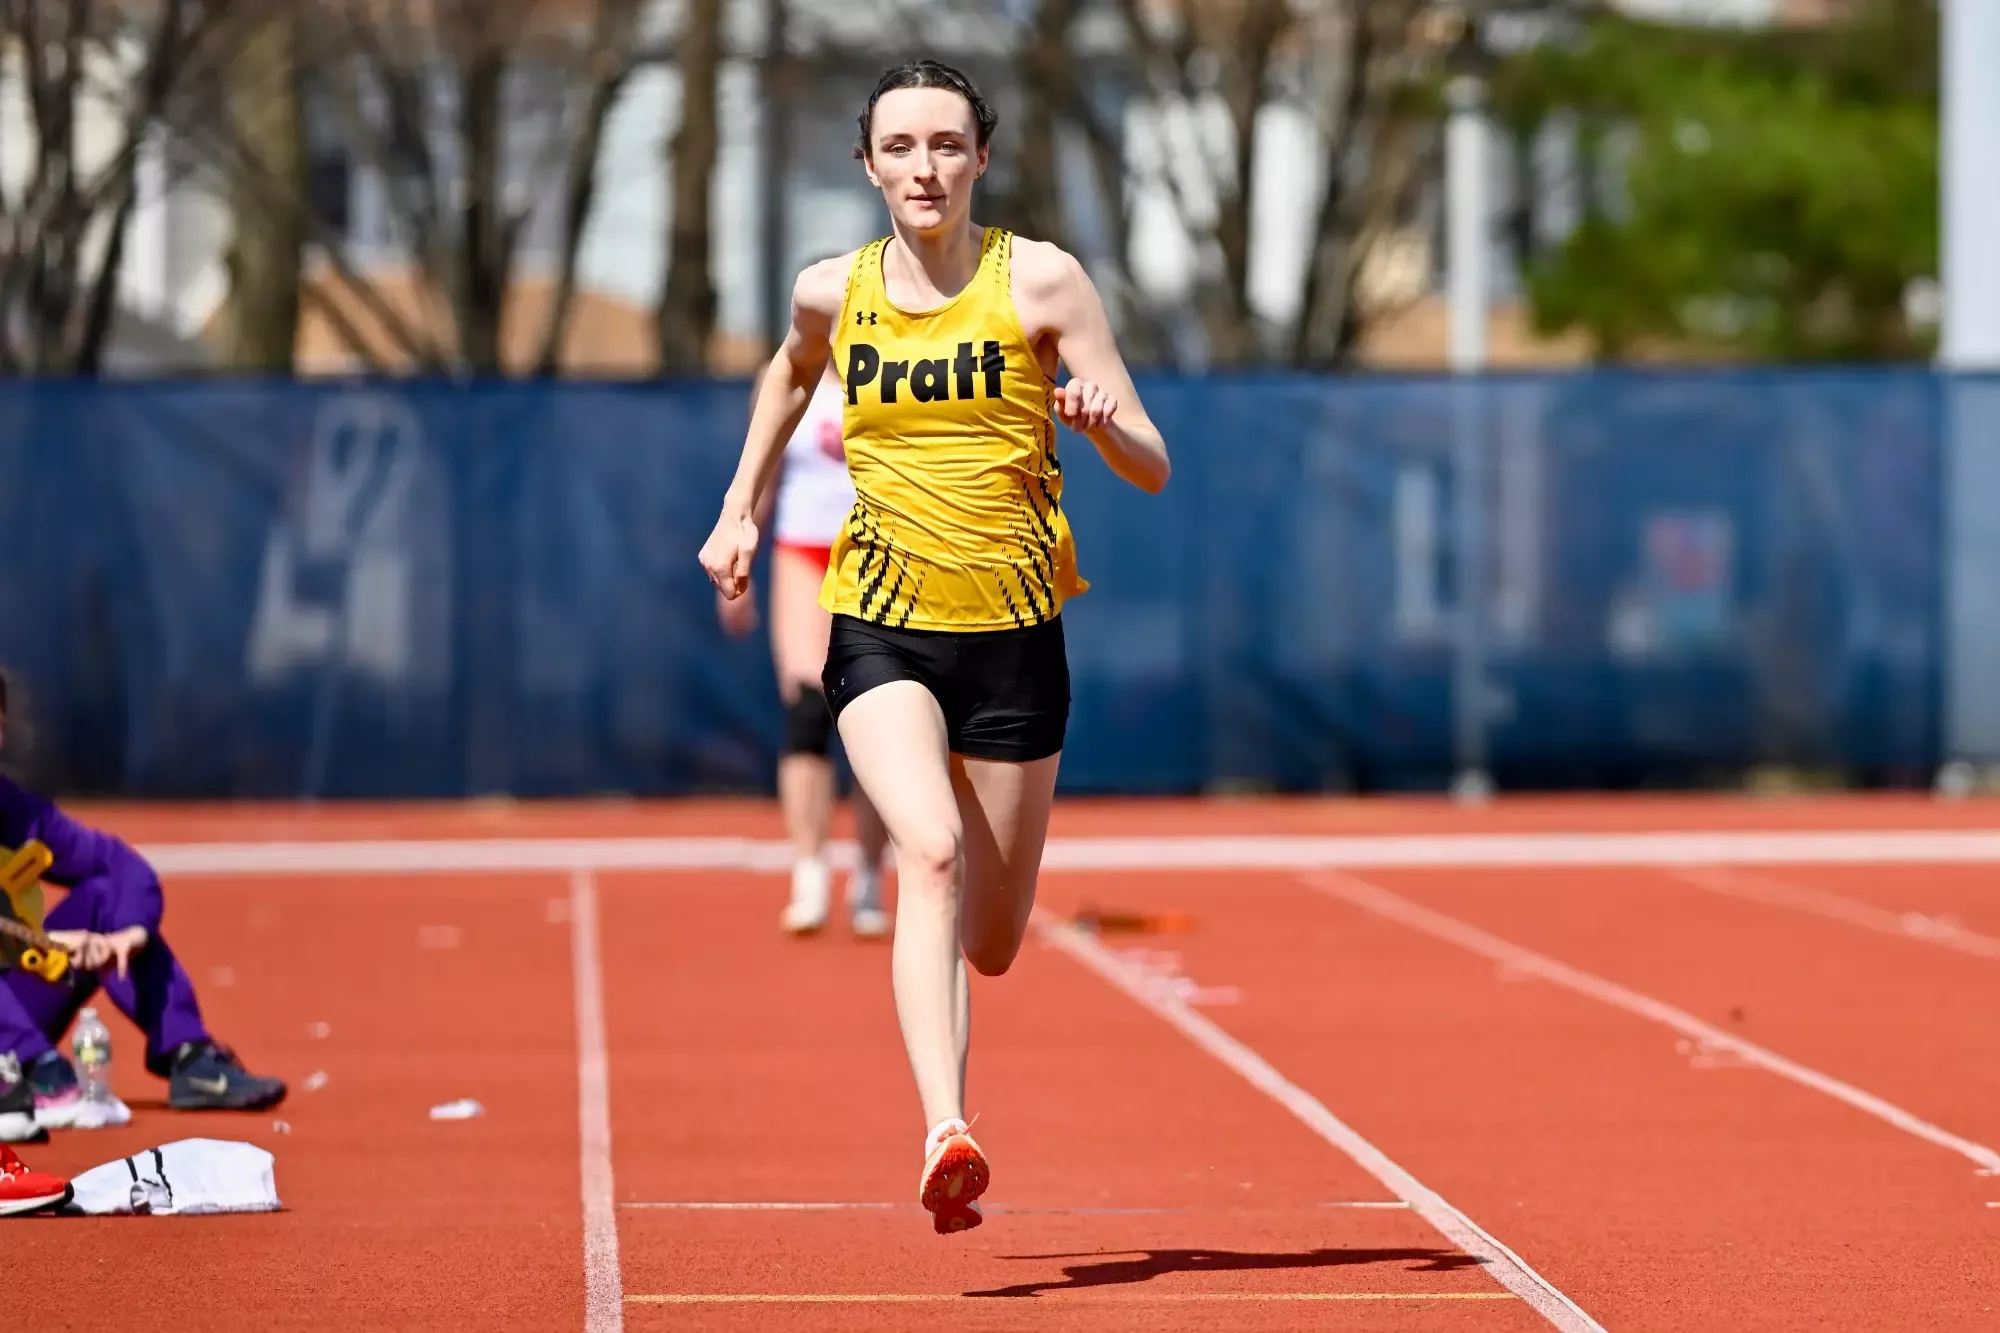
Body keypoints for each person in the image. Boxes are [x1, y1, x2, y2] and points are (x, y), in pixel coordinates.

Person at [698, 59, 1170, 1235]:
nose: (924, 167)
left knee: (994, 943)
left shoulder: (1044, 282)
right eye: (900, 147)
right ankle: (944, 1127)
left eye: (946, 146)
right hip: (879, 620)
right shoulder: (830, 289)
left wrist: (1106, 430)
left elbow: (1155, 460)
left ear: (980, 161)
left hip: (1013, 636)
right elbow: (787, 371)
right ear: (866, 164)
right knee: (926, 848)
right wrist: (737, 507)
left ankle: (950, 1007)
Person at [0, 671, 288, 1123]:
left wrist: (128, 935)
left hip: (18, 998)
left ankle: (189, 1057)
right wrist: (40, 945)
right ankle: (32, 1070)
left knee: (105, 899)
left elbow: (122, 866)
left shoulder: (18, 812)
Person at [716, 361, 893, 938]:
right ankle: (810, 868)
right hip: (804, 553)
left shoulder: (895, 368)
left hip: (876, 556)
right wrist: (739, 560)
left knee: (881, 720)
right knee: (806, 707)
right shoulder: (788, 379)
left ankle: (868, 875)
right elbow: (760, 479)